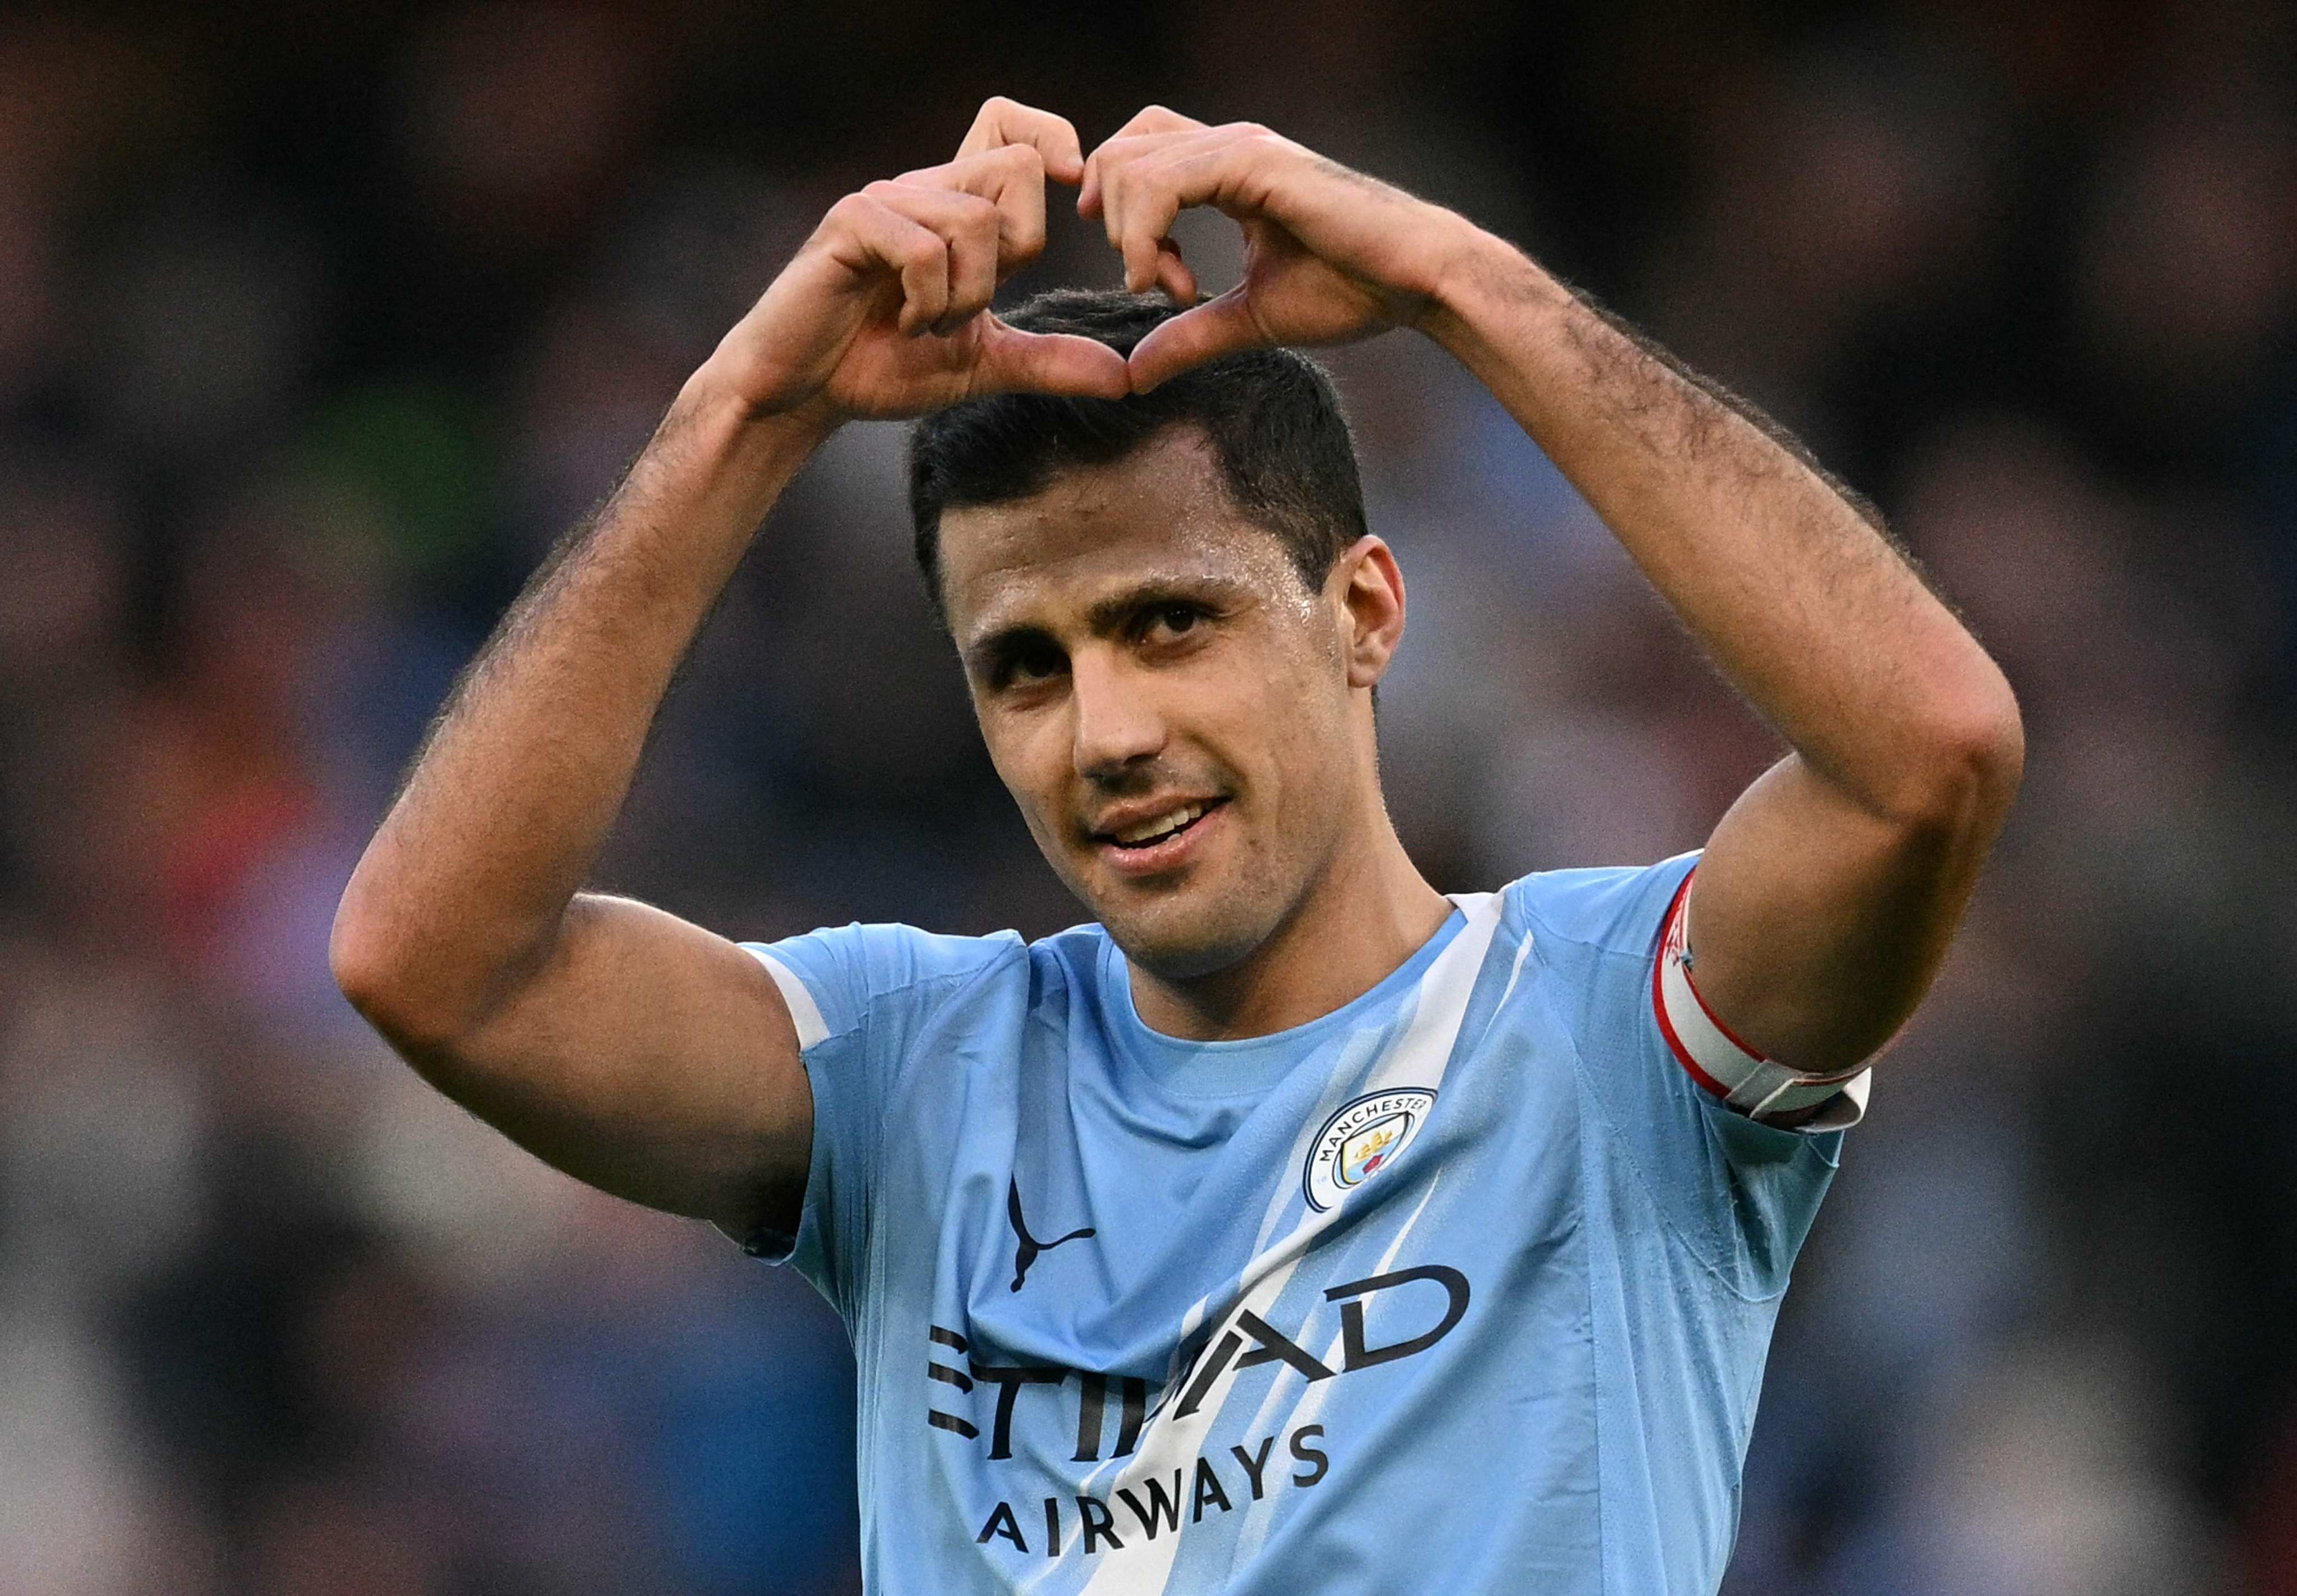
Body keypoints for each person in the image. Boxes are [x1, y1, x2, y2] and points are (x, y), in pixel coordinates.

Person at [332, 97, 2023, 1594]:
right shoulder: (915, 1070)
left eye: (1169, 623)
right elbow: (437, 969)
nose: (1108, 731)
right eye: (1027, 668)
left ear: (1361, 611)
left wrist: (1462, 290)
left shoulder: (1609, 1028)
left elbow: (1925, 759)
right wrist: (745, 414)